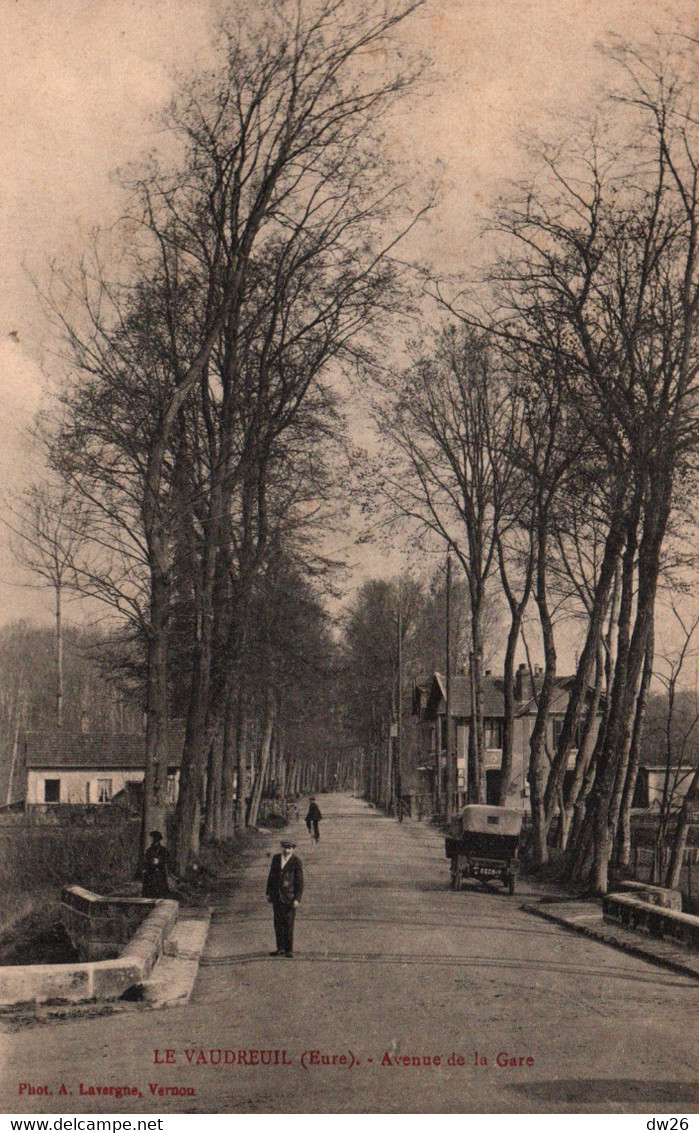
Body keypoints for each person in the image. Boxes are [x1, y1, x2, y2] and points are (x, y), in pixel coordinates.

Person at [266, 838, 304, 957]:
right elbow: (271, 876)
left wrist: (297, 898)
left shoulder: (296, 861)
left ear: (293, 849)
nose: (287, 850)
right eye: (285, 848)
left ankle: (289, 949)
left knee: (288, 922)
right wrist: (268, 892)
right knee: (278, 922)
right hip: (276, 895)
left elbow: (299, 881)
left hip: (289, 896)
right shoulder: (276, 859)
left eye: (289, 848)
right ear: (282, 848)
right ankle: (280, 948)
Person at [142, 830, 169, 898]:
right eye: (152, 838)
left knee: (160, 889)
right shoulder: (149, 850)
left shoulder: (163, 850)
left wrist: (159, 861)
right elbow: (146, 860)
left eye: (153, 838)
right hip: (150, 872)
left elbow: (167, 859)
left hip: (159, 872)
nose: (152, 840)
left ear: (157, 839)